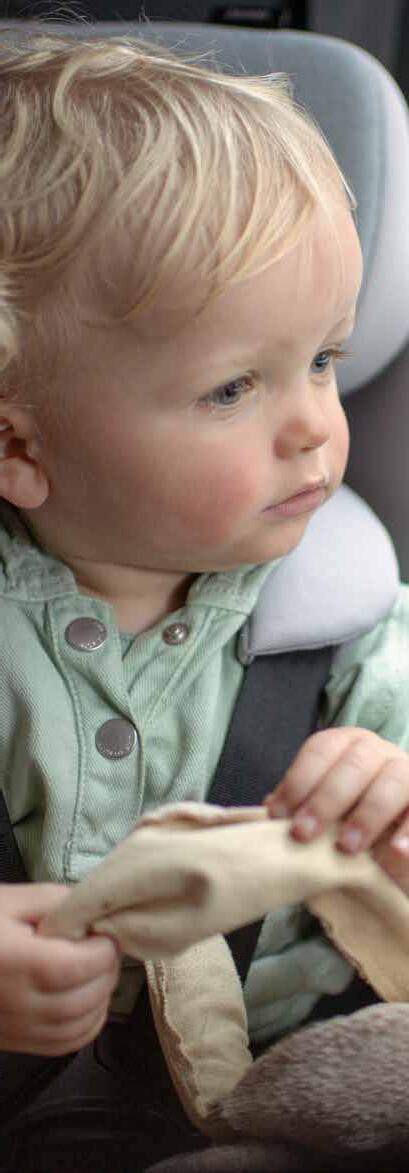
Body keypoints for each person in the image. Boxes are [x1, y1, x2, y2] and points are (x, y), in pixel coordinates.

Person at [0, 26, 408, 1172]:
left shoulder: (346, 622)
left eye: (323, 359)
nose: (314, 425)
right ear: (19, 446)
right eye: (234, 388)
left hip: (282, 1101)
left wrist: (392, 808)